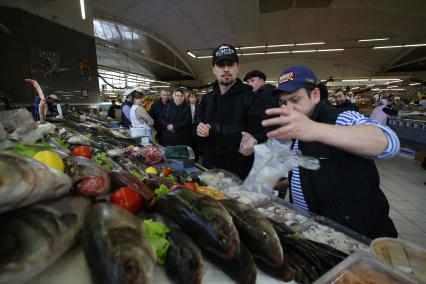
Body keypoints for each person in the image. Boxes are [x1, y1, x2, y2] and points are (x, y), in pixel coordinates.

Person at [262, 66, 400, 238]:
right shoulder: (295, 131)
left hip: (357, 237)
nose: (288, 109)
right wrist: (287, 182)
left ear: (315, 95)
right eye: (283, 103)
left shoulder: (340, 117)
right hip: (314, 233)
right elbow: (319, 171)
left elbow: (389, 142)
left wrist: (315, 129)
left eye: (295, 100)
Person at [195, 44, 259, 179]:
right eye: (220, 65)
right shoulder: (207, 99)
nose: (226, 69)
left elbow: (261, 134)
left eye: (230, 64)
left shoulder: (250, 98)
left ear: (237, 67)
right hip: (210, 170)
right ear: (213, 69)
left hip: (239, 174)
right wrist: (199, 129)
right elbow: (197, 124)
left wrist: (255, 142)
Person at [243, 70, 279, 144]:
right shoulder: (254, 96)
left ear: (262, 81)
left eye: (252, 81)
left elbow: (270, 119)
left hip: (264, 140)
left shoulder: (267, 94)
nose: (249, 84)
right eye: (248, 82)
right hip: (260, 139)